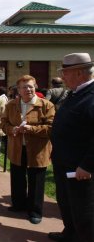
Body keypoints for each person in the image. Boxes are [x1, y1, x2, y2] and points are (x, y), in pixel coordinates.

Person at [49, 53, 94, 242]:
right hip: (63, 162)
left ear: (79, 73)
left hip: (79, 168)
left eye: (65, 72)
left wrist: (87, 165)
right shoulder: (75, 93)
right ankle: (69, 233)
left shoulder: (91, 96)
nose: (62, 76)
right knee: (67, 204)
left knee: (83, 211)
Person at [1, 75, 55, 225]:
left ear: (36, 86)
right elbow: (3, 123)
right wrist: (12, 129)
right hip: (17, 148)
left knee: (36, 181)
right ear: (18, 90)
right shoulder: (11, 105)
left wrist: (31, 129)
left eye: (30, 86)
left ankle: (35, 211)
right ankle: (18, 204)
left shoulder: (46, 105)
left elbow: (51, 128)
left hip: (37, 150)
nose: (28, 89)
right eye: (24, 87)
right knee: (17, 177)